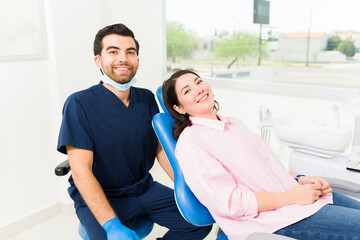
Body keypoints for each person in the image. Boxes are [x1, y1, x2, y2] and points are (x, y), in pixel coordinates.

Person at [162, 69, 360, 240]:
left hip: (295, 200)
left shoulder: (233, 123)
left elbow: (264, 170)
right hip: (271, 220)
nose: (198, 89)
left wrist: (300, 180)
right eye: (187, 91)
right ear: (179, 108)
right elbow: (229, 202)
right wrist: (290, 197)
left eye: (198, 82)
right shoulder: (192, 142)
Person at [57, 24, 211, 240]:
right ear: (98, 60)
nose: (123, 58)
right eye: (113, 51)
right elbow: (81, 171)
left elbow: (160, 150)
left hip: (143, 189)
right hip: (104, 195)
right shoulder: (79, 103)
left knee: (199, 221)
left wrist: (185, 185)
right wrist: (111, 226)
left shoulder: (146, 99)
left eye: (130, 52)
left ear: (137, 60)